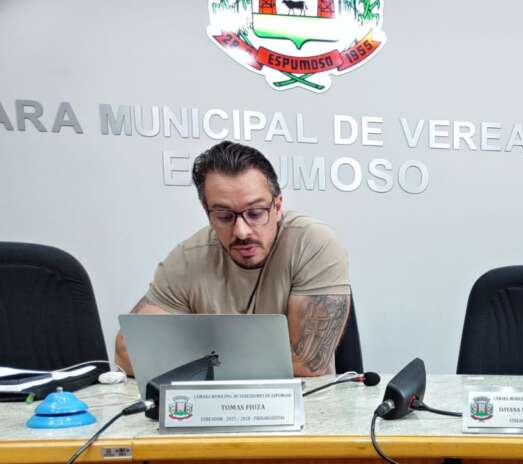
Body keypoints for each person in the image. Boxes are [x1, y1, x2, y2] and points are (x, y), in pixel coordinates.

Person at [114, 141, 351, 377]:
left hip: (303, 398)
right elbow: (127, 353)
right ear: (207, 213)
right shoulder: (187, 258)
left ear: (278, 207)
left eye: (255, 213)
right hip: (211, 399)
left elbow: (308, 364)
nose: (241, 231)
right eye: (224, 216)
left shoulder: (313, 244)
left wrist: (199, 357)